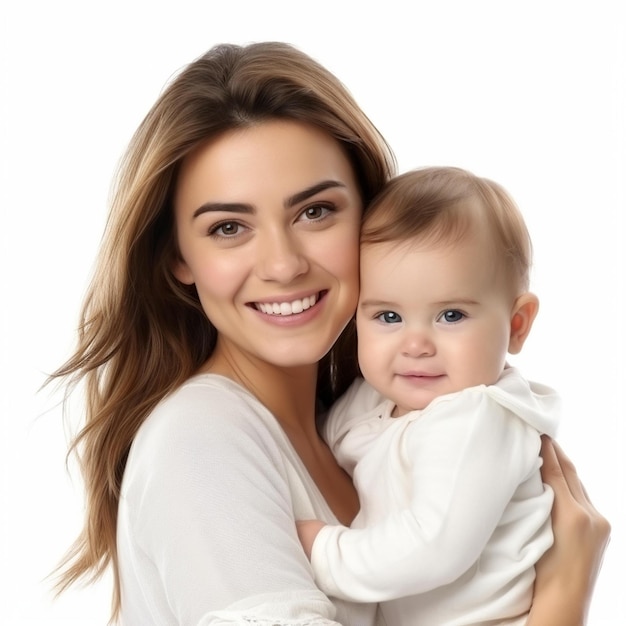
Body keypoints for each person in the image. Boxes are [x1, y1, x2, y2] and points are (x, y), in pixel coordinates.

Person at [48, 42, 610, 625]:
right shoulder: (202, 442)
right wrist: (564, 598)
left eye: (314, 212)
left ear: (370, 217)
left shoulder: (360, 422)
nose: (284, 264)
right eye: (229, 227)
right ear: (178, 258)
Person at [296, 166, 564, 624]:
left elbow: (433, 545)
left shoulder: (478, 417)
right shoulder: (372, 400)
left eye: (451, 315)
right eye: (388, 317)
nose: (416, 344)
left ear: (516, 325)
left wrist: (324, 549)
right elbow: (322, 444)